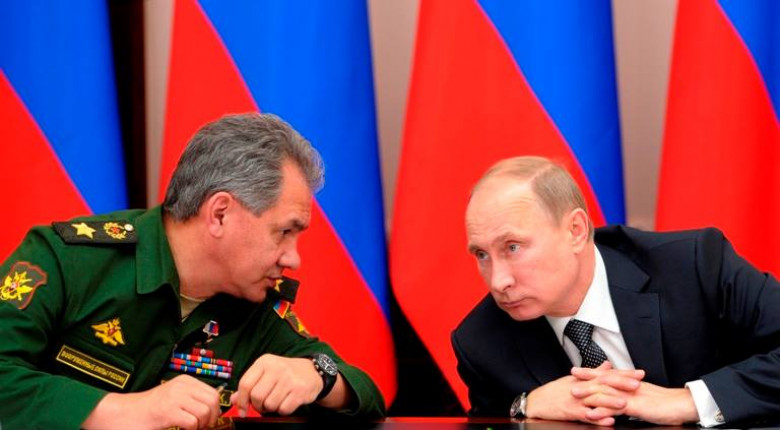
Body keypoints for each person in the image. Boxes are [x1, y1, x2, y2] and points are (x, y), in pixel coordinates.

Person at [0, 113, 385, 429]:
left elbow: (367, 397)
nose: (293, 259)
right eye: (284, 232)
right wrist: (119, 411)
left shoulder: (255, 308)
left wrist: (320, 376)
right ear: (220, 214)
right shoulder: (69, 261)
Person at [452, 156, 780, 427]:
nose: (499, 282)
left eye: (512, 247)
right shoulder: (481, 342)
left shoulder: (695, 265)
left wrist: (687, 401)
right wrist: (524, 405)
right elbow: (490, 419)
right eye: (481, 254)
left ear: (575, 231)